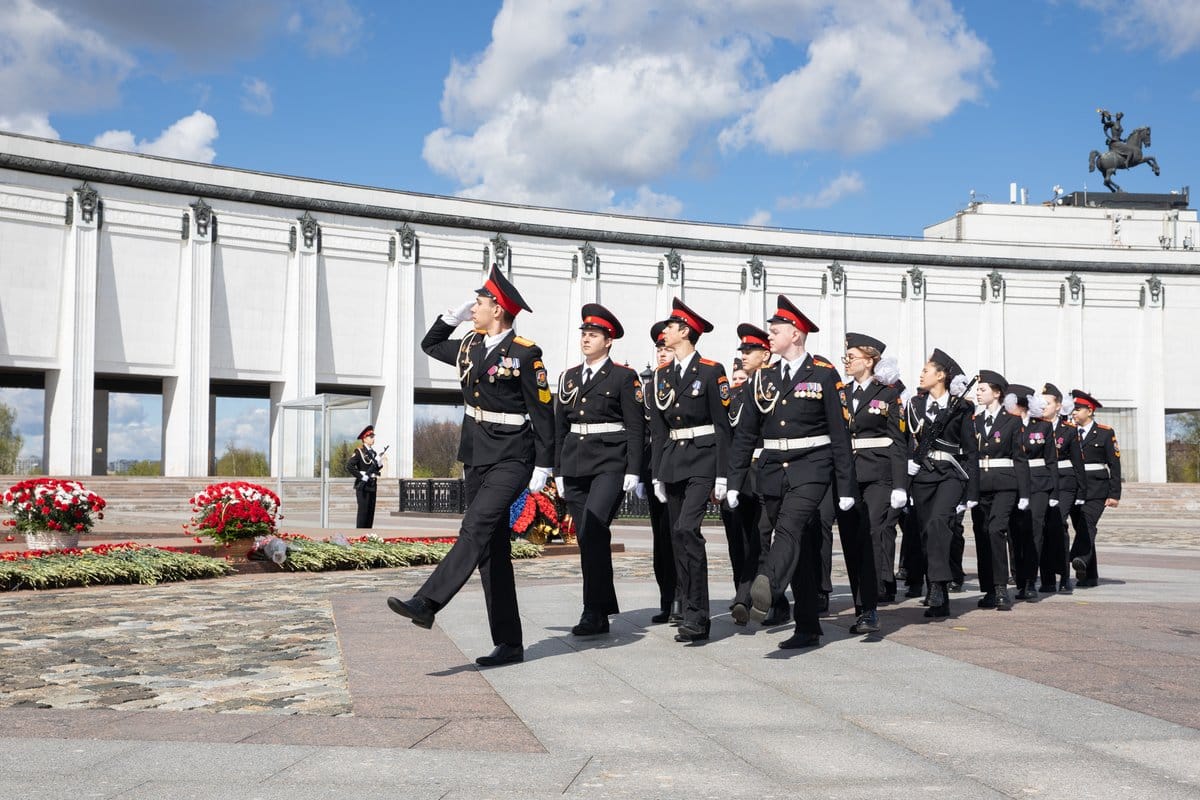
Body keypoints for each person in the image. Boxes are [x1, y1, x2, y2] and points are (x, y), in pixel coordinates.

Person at [386, 265, 554, 668]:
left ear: (498, 309)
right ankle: (509, 643)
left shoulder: (526, 354)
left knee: (475, 527)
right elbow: (430, 344)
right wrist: (452, 317)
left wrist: (545, 466)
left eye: (478, 303)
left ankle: (427, 602)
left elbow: (544, 413)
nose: (473, 308)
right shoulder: (470, 346)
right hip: (476, 455)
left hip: (514, 456)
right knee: (490, 549)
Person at [728, 295, 857, 649]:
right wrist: (735, 480)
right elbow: (745, 435)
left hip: (811, 467)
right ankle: (808, 627)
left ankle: (767, 584)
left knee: (789, 527)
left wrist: (845, 486)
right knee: (800, 544)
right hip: (772, 470)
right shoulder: (764, 378)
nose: (770, 335)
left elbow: (839, 433)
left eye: (776, 330)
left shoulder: (824, 375)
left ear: (796, 334)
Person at [554, 304, 645, 637]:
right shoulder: (569, 377)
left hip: (610, 461)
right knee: (587, 536)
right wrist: (558, 471)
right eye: (584, 334)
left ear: (609, 341)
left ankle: (593, 609)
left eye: (593, 335)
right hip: (575, 462)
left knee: (593, 529)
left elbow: (636, 426)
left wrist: (633, 469)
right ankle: (600, 608)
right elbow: (559, 426)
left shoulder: (623, 376)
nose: (586, 339)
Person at [648, 298, 732, 643]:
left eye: (670, 326)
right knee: (676, 537)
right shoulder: (661, 375)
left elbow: (723, 426)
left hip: (703, 459)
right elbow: (658, 428)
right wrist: (656, 473)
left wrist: (724, 475)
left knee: (686, 530)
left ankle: (698, 614)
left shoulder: (712, 370)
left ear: (685, 332)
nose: (664, 331)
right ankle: (686, 604)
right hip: (673, 460)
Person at [837, 332, 908, 634]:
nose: (847, 361)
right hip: (848, 476)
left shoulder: (888, 394)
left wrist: (900, 485)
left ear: (869, 360)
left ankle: (870, 608)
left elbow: (898, 441)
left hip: (878, 475)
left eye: (852, 356)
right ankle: (859, 605)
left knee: (873, 534)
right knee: (852, 540)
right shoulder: (840, 393)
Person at [904, 349, 978, 619]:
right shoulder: (914, 404)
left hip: (950, 473)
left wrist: (973, 491)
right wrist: (907, 469)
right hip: (922, 474)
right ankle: (940, 594)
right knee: (927, 534)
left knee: (938, 523)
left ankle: (936, 584)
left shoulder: (960, 408)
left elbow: (970, 451)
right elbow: (905, 442)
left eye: (926, 370)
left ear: (941, 375)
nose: (921, 374)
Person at [721, 323, 777, 623]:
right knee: (740, 539)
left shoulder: (774, 386)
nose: (743, 354)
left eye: (749, 350)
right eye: (741, 349)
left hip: (768, 469)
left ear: (765, 355)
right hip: (741, 475)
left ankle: (766, 599)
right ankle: (743, 593)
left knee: (762, 538)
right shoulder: (739, 393)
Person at [971, 370, 1030, 612]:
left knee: (996, 529)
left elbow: (1019, 458)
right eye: (977, 389)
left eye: (982, 389)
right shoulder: (973, 421)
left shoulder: (1012, 421)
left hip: (1005, 483)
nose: (978, 393)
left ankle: (1002, 587)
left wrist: (1024, 492)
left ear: (996, 393)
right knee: (982, 533)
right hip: (979, 484)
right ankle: (989, 590)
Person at [643, 321, 680, 625]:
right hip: (655, 467)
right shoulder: (648, 384)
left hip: (680, 465)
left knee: (679, 534)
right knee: (660, 538)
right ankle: (667, 597)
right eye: (659, 349)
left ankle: (684, 597)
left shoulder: (685, 380)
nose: (662, 353)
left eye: (667, 348)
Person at [1007, 384, 1057, 602]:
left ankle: (1029, 580)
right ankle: (1018, 577)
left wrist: (1054, 490)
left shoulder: (1043, 427)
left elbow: (1051, 461)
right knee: (1014, 533)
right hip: (1014, 483)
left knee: (1034, 530)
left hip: (1038, 483)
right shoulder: (1008, 425)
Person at [1068, 389, 1121, 588]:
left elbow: (1114, 465)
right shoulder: (1069, 432)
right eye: (1073, 409)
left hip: (1097, 488)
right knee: (1082, 529)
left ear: (1089, 411)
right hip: (1074, 487)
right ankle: (1089, 575)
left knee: (1087, 524)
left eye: (1078, 409)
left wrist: (1114, 494)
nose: (1073, 413)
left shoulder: (1106, 432)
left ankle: (1077, 556)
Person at [1039, 383, 1084, 594]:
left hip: (1065, 483)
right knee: (1044, 528)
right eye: (1041, 403)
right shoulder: (1035, 428)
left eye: (1047, 403)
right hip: (1042, 482)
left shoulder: (1068, 430)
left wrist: (1082, 491)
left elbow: (1078, 463)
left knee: (1057, 524)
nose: (1043, 407)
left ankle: (1064, 575)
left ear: (1058, 406)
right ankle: (1047, 577)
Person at [347, 425, 386, 528]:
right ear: (364, 439)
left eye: (373, 436)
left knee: (370, 512)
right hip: (362, 485)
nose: (373, 439)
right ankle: (360, 536)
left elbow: (375, 469)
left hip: (372, 484)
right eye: (371, 437)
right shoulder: (359, 451)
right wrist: (360, 476)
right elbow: (349, 466)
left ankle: (367, 535)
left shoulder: (373, 453)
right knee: (363, 512)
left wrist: (379, 464)